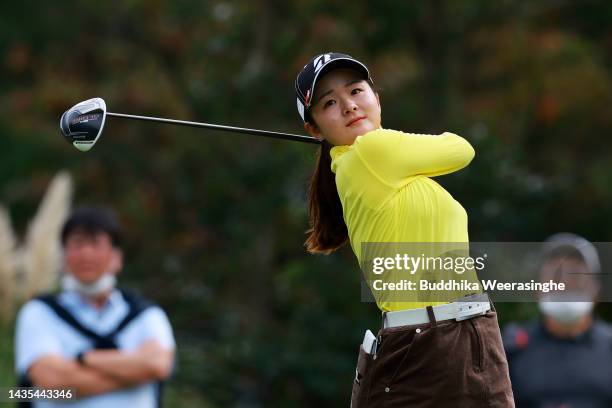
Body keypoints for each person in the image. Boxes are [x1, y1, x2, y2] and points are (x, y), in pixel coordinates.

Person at [295, 52, 514, 407]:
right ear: (315, 129)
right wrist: (379, 134)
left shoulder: (375, 166)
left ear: (376, 99)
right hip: (429, 343)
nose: (349, 106)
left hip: (465, 335)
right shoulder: (373, 151)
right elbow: (461, 148)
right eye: (330, 103)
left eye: (356, 91)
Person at [14, 206, 175, 408]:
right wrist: (134, 372)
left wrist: (83, 359)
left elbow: (157, 365)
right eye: (77, 244)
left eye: (95, 244)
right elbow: (52, 383)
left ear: (117, 258)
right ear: (63, 257)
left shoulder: (147, 315)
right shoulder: (38, 313)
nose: (86, 254)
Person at [504, 233, 612, 407]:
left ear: (596, 289)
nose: (565, 282)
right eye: (555, 274)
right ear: (537, 288)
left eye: (576, 274)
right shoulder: (510, 350)